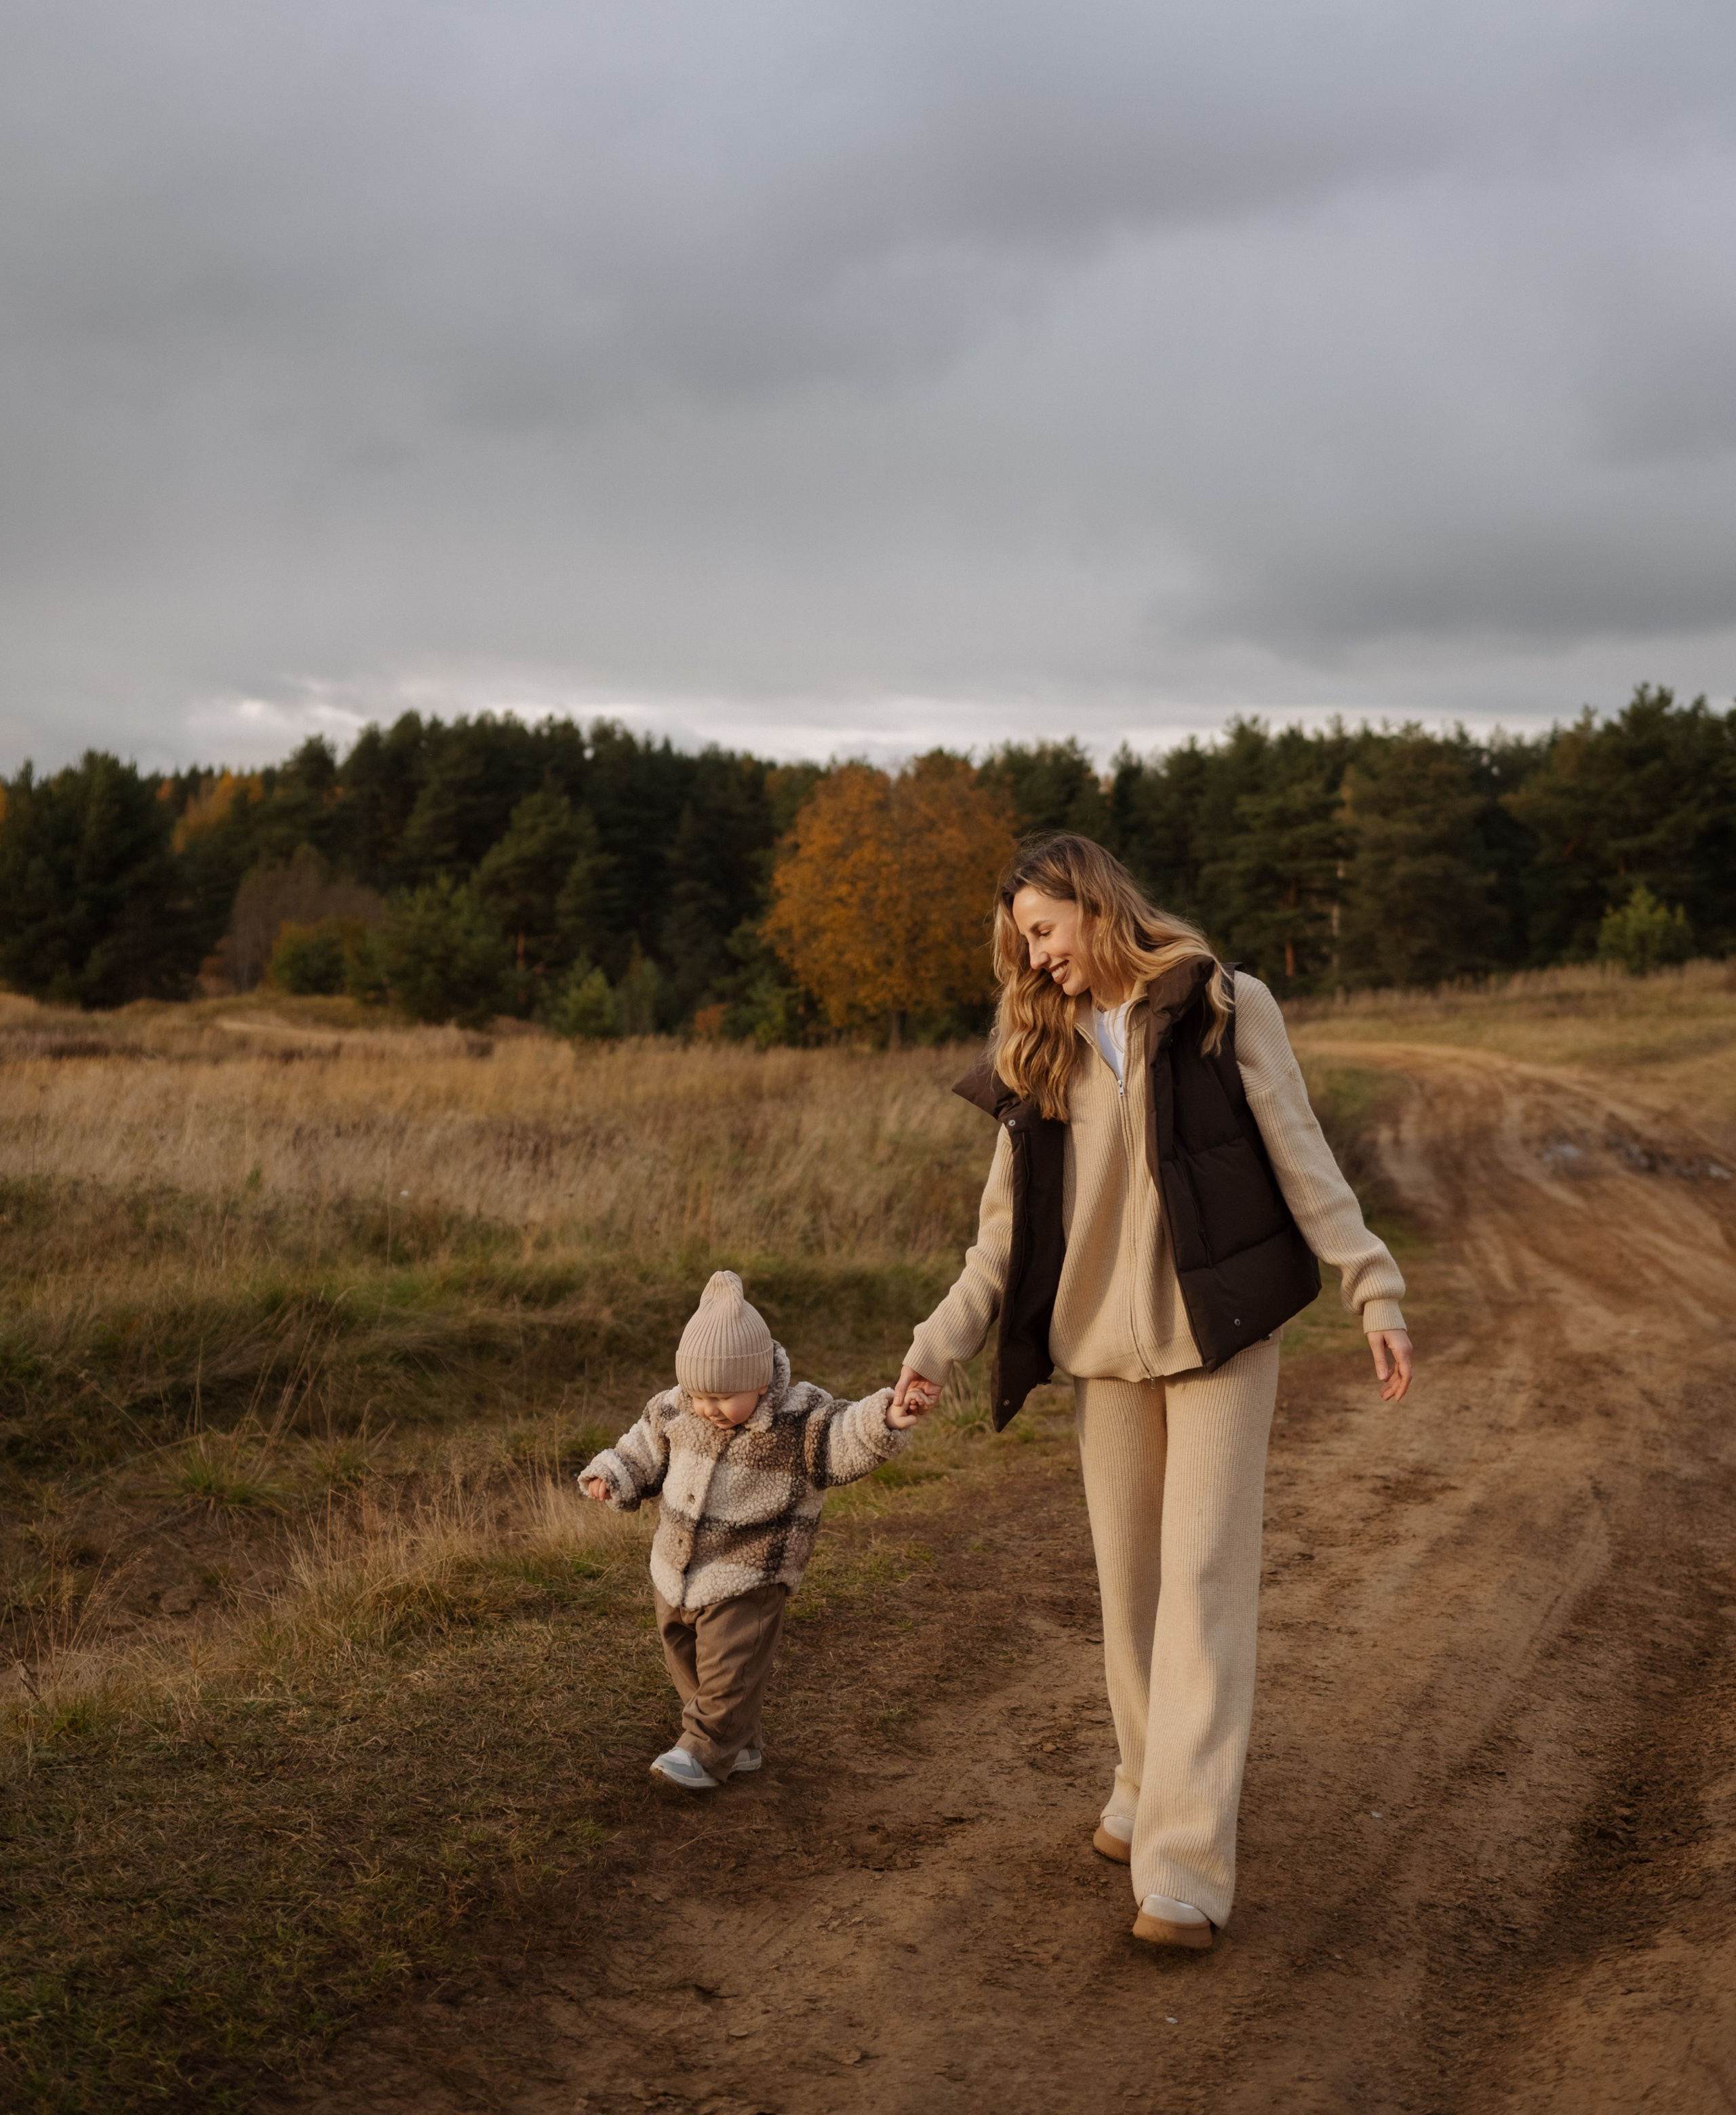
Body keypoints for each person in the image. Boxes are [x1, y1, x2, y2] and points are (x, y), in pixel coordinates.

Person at [894, 835, 1412, 1950]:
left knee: (1204, 1584)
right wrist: (938, 1346)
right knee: (1131, 1593)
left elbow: (1304, 1158)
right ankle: (1141, 1779)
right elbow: (1001, 1236)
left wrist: (1374, 1287)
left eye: (1045, 931)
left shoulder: (1223, 1007)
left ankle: (1185, 1864)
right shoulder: (1039, 1050)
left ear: (1095, 904)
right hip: (1104, 1358)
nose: (1036, 957)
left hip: (1220, 1338)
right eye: (1023, 943)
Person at [579, 1269, 922, 1788]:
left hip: (750, 1573)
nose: (709, 1408)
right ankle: (738, 1745)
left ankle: (703, 1750)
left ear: (761, 1381)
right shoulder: (675, 1409)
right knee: (685, 1655)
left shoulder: (796, 1422)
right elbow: (643, 1448)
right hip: (675, 1569)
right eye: (700, 1396)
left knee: (729, 1667)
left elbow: (844, 1434)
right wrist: (613, 1473)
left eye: (723, 1397)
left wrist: (887, 1419)